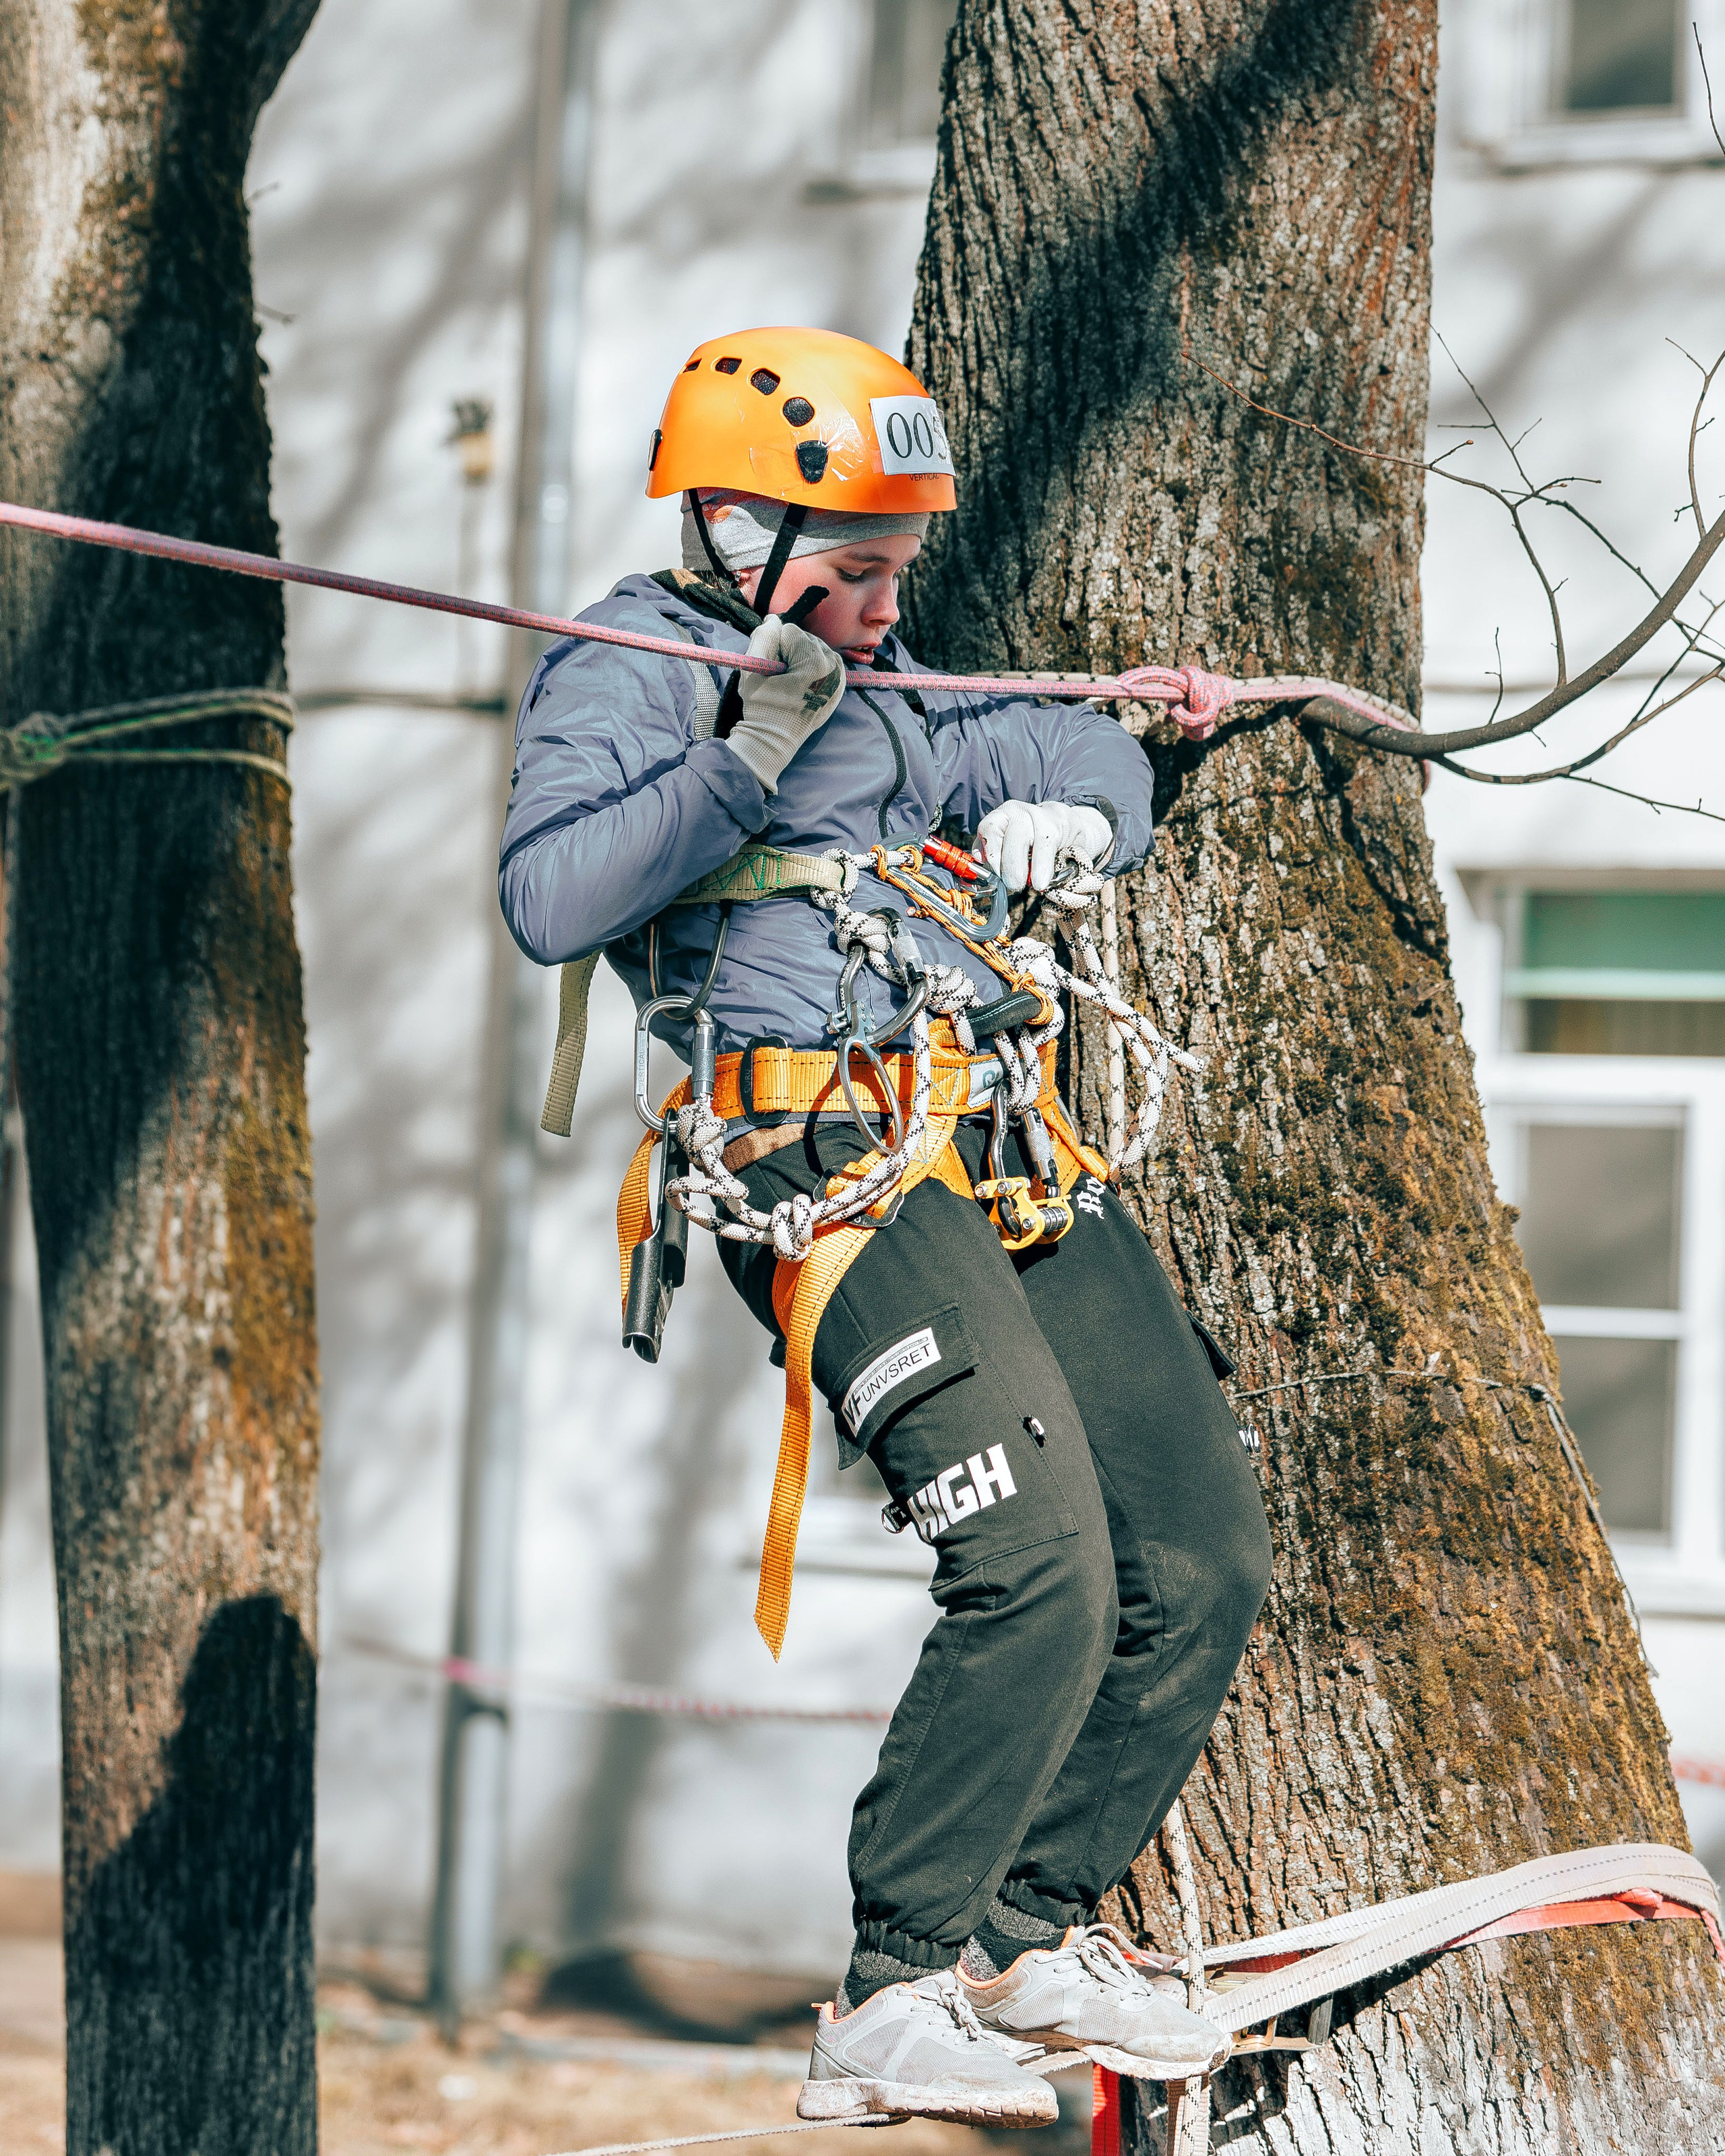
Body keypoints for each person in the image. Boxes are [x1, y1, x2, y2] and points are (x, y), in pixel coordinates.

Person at [500, 327, 1272, 2127]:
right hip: (815, 1158)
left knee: (1202, 1553)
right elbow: (553, 900)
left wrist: (1082, 808)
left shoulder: (914, 687)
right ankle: (895, 1983)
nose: (872, 607)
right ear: (730, 531)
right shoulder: (632, 672)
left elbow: (1083, 747)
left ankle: (1030, 1933)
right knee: (1044, 1568)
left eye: (894, 574)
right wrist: (747, 753)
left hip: (990, 1140)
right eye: (847, 573)